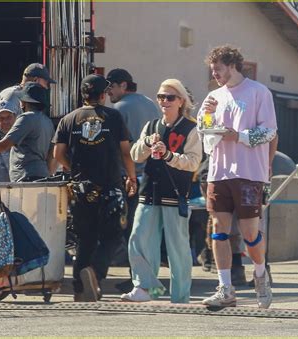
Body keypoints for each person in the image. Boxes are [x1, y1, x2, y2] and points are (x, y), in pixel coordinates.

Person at [199, 45, 277, 309]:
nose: (215, 75)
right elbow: (204, 133)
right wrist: (207, 114)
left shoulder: (258, 92)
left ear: (232, 66)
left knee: (249, 233)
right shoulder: (213, 96)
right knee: (219, 229)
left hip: (249, 174)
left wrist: (239, 136)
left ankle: (259, 273)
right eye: (213, 71)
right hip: (219, 172)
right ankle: (225, 288)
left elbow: (269, 132)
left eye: (218, 70)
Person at [53, 74, 137, 302]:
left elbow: (58, 154)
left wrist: (75, 170)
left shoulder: (68, 119)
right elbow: (125, 152)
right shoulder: (113, 117)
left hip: (81, 189)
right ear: (102, 95)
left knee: (85, 239)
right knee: (112, 236)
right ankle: (95, 273)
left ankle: (80, 290)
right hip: (110, 186)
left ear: (83, 94)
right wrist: (132, 177)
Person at [121, 79, 202, 303]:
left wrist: (169, 156)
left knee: (178, 250)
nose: (164, 101)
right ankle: (146, 289)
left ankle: (180, 297)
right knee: (138, 239)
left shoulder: (191, 128)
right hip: (149, 191)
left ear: (181, 101)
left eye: (170, 97)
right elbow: (136, 156)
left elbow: (194, 162)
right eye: (161, 97)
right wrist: (146, 143)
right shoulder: (152, 125)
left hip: (175, 194)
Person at [99, 68, 160, 292]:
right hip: (150, 175)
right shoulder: (150, 104)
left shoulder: (118, 109)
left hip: (128, 176)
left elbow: (117, 147)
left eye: (111, 87)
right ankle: (141, 276)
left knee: (123, 229)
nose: (108, 93)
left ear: (123, 86)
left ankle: (135, 278)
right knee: (141, 230)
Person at [0, 63, 56, 129]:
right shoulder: (12, 95)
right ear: (35, 80)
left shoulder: (24, 95)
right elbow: (5, 127)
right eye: (46, 83)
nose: (47, 87)